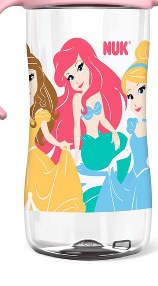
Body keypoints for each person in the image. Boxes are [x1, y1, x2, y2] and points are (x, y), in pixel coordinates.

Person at [52, 38, 128, 211]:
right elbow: (76, 128)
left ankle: (118, 179)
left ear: (90, 64)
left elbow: (102, 119)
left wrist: (113, 132)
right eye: (70, 77)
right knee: (108, 157)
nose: (77, 79)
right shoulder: (76, 99)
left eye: (80, 67)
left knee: (122, 139)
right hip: (89, 148)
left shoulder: (96, 95)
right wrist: (76, 155)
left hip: (101, 139)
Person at [24, 45, 85, 212]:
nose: (29, 81)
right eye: (28, 76)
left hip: (37, 156)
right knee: (39, 189)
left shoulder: (41, 111)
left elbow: (47, 135)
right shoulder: (34, 108)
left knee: (45, 189)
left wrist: (60, 144)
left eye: (32, 76)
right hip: (35, 156)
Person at [95, 40, 152, 211]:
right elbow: (128, 150)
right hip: (135, 175)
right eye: (130, 96)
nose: (134, 101)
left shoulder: (141, 126)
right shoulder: (136, 125)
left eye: (140, 90)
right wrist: (115, 160)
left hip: (140, 177)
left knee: (112, 188)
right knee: (111, 183)